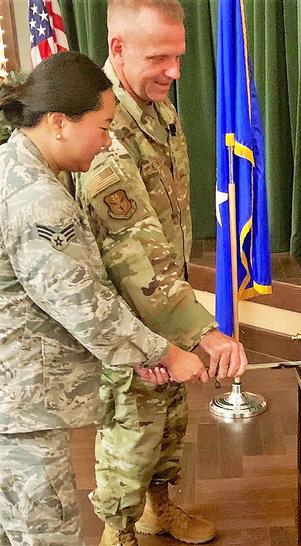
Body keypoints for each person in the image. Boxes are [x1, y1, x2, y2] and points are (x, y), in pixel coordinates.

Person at [0, 51, 208, 546]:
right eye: (101, 125)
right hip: (20, 406)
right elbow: (85, 305)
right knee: (45, 536)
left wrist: (138, 356)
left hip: (18, 397)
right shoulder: (38, 200)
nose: (108, 139)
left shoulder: (17, 165)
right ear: (58, 123)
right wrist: (165, 353)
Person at [76, 1, 248, 544]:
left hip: (166, 302)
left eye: (179, 56)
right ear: (118, 49)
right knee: (132, 432)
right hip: (128, 316)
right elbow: (133, 251)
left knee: (169, 420)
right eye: (160, 58)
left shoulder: (158, 108)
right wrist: (204, 331)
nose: (175, 71)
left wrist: (185, 323)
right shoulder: (101, 129)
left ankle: (159, 509)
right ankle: (117, 533)